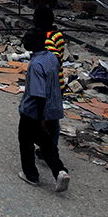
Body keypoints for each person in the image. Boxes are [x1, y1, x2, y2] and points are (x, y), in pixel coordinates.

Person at [17, 28, 70, 192]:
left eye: (27, 39)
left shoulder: (36, 65)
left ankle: (31, 175)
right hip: (53, 110)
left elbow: (38, 94)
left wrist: (41, 119)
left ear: (37, 42)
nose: (23, 41)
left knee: (25, 141)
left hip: (34, 112)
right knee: (47, 145)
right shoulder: (51, 58)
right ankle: (60, 171)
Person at [34, 5, 66, 154]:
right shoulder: (57, 35)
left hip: (50, 86)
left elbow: (50, 64)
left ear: (43, 21)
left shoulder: (47, 41)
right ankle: (49, 146)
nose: (33, 21)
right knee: (52, 117)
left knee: (48, 118)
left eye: (35, 19)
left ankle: (50, 148)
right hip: (58, 83)